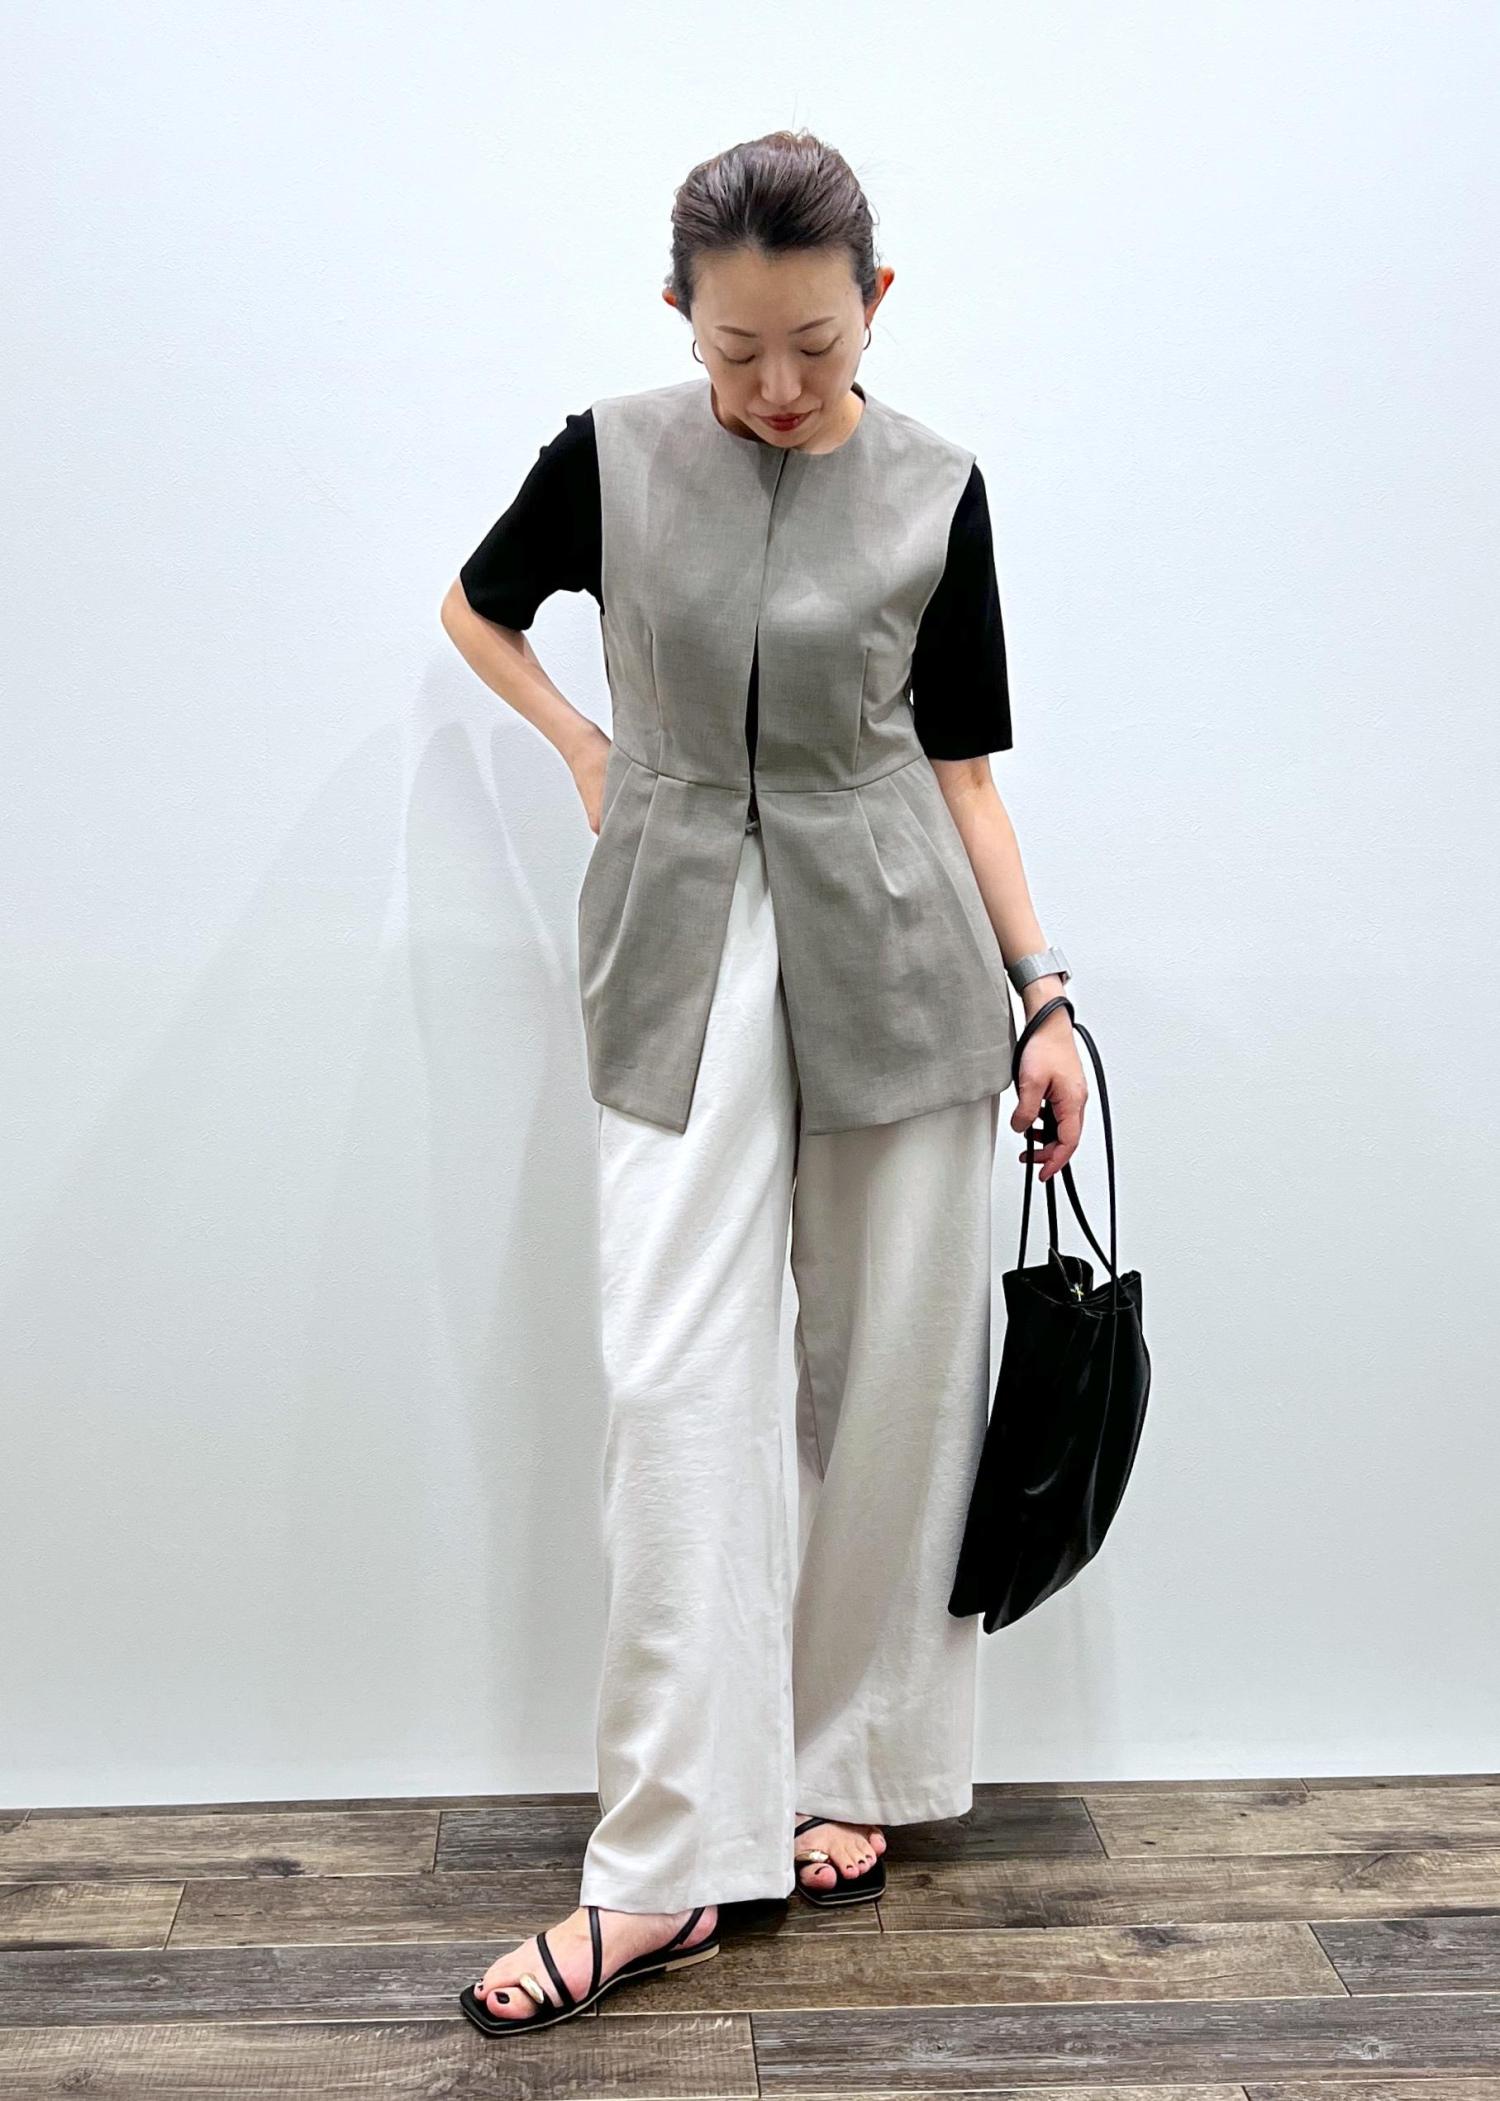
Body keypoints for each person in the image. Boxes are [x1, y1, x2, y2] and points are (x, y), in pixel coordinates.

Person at [441, 129, 1086, 2040]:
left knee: (892, 1373)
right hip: (680, 932)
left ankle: (846, 1765)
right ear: (679, 312)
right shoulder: (612, 456)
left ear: (876, 303)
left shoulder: (939, 486)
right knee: (673, 1376)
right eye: (736, 350)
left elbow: (963, 773)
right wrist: (586, 748)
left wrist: (1043, 999)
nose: (778, 387)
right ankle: (661, 1859)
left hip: (895, 937)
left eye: (815, 343)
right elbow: (476, 606)